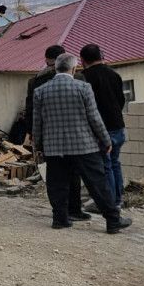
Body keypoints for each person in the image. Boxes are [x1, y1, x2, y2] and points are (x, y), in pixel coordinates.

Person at [32, 53, 131, 234]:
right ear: (74, 68)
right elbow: (94, 118)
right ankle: (113, 220)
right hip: (84, 145)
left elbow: (37, 122)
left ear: (55, 68)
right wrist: (105, 139)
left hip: (54, 147)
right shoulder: (83, 87)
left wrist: (37, 146)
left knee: (57, 184)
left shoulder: (41, 91)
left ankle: (60, 219)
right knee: (97, 183)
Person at [24, 44, 85, 221]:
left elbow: (31, 111)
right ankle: (75, 210)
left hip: (49, 136)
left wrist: (33, 135)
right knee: (74, 173)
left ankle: (60, 214)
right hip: (75, 135)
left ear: (46, 60)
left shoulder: (36, 81)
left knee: (55, 176)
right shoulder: (78, 78)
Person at [79, 43, 127, 208]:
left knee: (105, 166)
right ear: (101, 56)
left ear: (82, 60)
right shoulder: (114, 74)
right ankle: (118, 199)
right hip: (118, 126)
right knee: (114, 163)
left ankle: (109, 203)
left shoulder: (84, 78)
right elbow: (121, 100)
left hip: (101, 129)